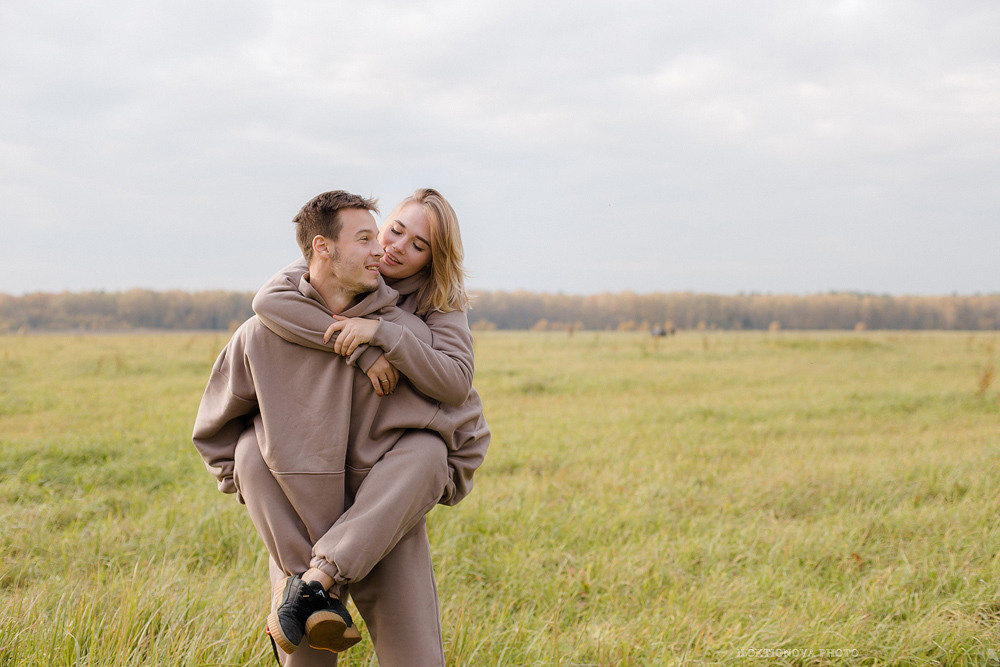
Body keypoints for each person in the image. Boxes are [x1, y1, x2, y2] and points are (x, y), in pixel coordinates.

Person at [192, 190, 489, 667]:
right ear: (325, 248)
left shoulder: (430, 316)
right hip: (300, 518)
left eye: (418, 246)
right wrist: (361, 349)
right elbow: (266, 305)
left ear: (433, 260)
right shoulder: (274, 316)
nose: (391, 249)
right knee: (251, 446)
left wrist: (384, 335)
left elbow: (456, 391)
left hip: (383, 509)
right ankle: (310, 582)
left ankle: (310, 585)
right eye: (390, 232)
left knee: (426, 453)